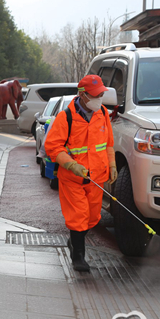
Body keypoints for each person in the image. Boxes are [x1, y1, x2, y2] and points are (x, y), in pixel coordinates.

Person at [44, 74, 117, 272]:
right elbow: (53, 147)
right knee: (78, 216)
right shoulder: (65, 117)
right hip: (73, 179)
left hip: (97, 178)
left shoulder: (103, 113)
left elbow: (108, 143)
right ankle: (78, 256)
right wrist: (71, 165)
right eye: (95, 95)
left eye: (101, 94)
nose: (99, 98)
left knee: (92, 218)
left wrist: (112, 165)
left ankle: (74, 241)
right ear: (82, 95)